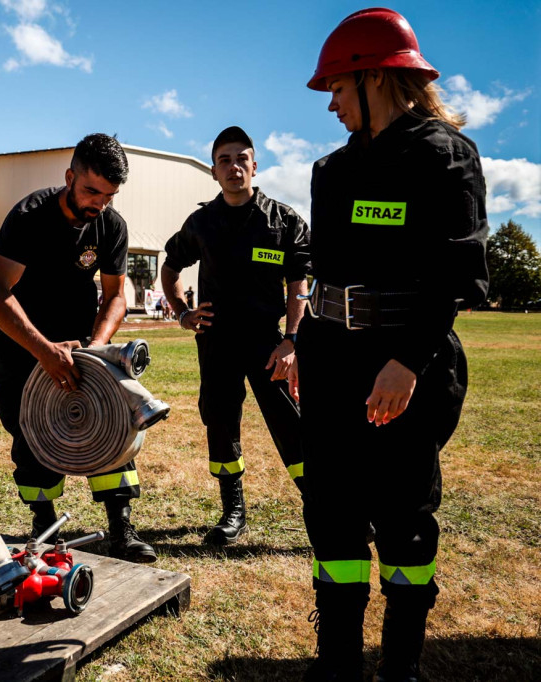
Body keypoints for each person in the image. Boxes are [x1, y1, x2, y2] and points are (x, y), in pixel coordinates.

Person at [293, 9, 489, 680]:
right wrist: (304, 349)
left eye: (339, 90)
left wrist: (406, 362)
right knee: (333, 517)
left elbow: (457, 271)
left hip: (407, 363)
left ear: (374, 76)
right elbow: (327, 274)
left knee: (405, 519)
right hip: (331, 360)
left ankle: (399, 667)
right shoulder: (331, 171)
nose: (333, 106)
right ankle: (339, 663)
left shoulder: (444, 155)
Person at [0, 133, 155, 564]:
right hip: (24, 346)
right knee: (33, 439)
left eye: (109, 195)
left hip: (81, 345)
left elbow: (116, 296)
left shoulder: (111, 225)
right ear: (69, 177)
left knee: (112, 427)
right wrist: (42, 350)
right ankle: (43, 526)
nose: (99, 203)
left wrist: (97, 348)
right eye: (91, 190)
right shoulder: (28, 217)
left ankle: (121, 528)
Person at [160, 126, 310, 545]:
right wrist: (183, 312)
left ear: (254, 166)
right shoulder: (201, 223)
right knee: (221, 423)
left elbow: (300, 284)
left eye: (241, 159)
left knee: (290, 423)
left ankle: (324, 505)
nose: (233, 167)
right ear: (213, 171)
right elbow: (170, 267)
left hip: (269, 342)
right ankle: (233, 511)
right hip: (216, 341)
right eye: (224, 160)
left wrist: (293, 341)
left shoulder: (283, 222)